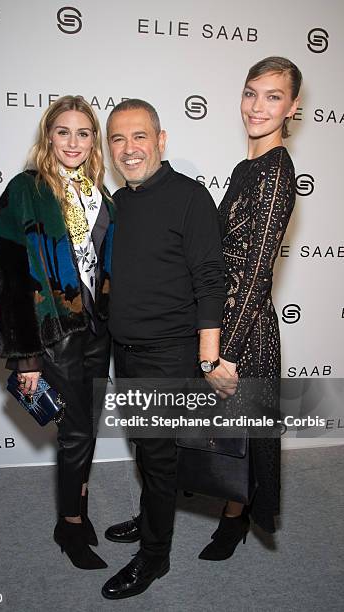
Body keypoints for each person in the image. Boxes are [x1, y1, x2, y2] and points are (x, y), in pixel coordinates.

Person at [101, 99, 226, 600]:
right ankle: (150, 513)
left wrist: (208, 356)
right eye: (118, 139)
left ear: (161, 139)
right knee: (144, 447)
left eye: (139, 137)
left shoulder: (190, 198)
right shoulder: (118, 201)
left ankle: (155, 556)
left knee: (157, 455)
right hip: (125, 349)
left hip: (168, 353)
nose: (129, 149)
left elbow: (210, 278)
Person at [0, 95, 113, 570]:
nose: (73, 142)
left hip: (97, 330)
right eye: (63, 131)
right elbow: (9, 277)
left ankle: (76, 511)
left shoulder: (97, 192)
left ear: (93, 142)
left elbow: (102, 266)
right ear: (48, 136)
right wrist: (26, 358)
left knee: (84, 431)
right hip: (53, 333)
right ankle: (70, 525)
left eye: (84, 133)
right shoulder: (26, 189)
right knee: (76, 432)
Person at [200, 56, 302, 560]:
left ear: (292, 107)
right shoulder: (247, 167)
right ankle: (229, 512)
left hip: (248, 332)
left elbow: (256, 272)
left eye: (273, 96)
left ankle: (234, 519)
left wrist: (227, 353)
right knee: (225, 428)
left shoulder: (277, 173)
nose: (257, 107)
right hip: (230, 320)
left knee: (240, 431)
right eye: (250, 93)